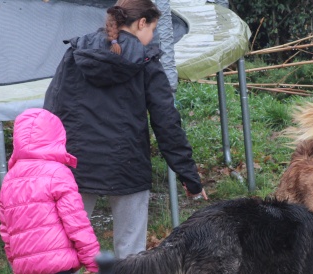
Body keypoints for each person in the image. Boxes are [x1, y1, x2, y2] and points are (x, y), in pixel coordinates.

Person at [44, 0, 208, 260]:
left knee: (67, 248)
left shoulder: (77, 52)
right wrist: (190, 177)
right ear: (141, 23)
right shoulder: (147, 61)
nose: (152, 37)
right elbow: (166, 122)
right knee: (131, 254)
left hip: (76, 164)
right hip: (127, 163)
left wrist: (47, 163)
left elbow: (51, 109)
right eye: (152, 29)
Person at [0, 108, 100, 274]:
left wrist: (17, 263)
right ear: (57, 137)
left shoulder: (11, 178)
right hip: (55, 262)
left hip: (29, 263)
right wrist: (93, 259)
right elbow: (76, 221)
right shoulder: (58, 173)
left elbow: (6, 228)